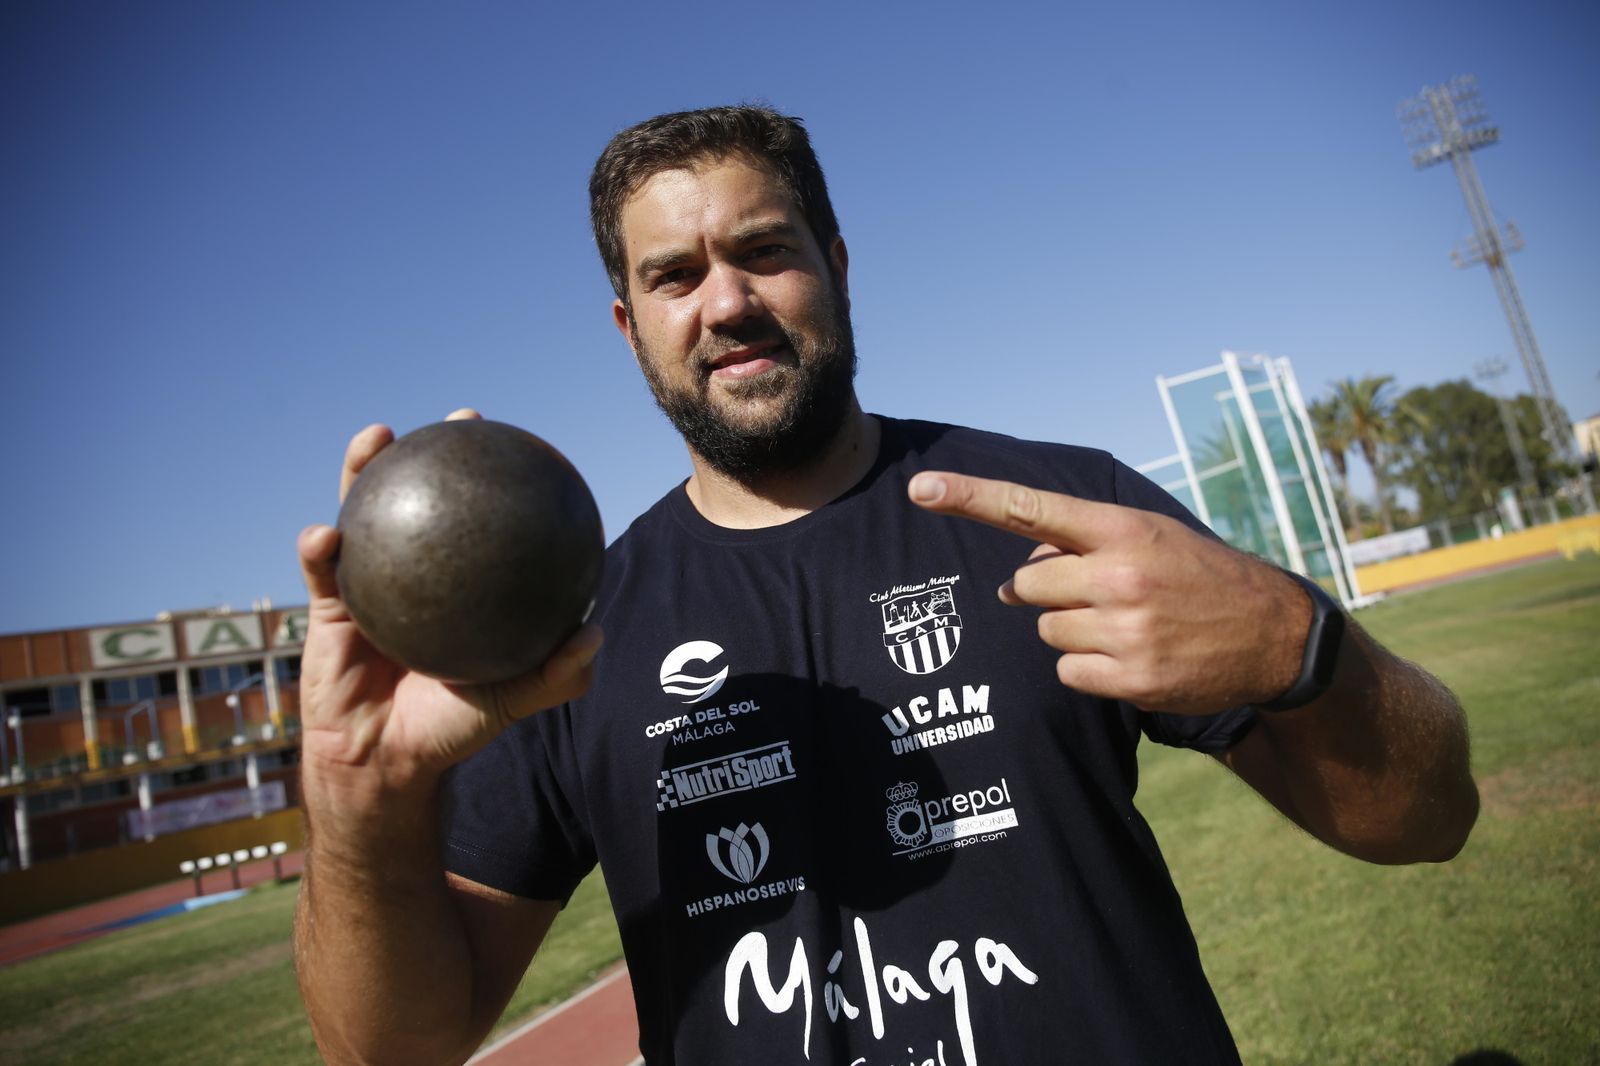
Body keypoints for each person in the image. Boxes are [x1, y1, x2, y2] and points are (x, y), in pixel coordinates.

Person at [293, 105, 1478, 1065]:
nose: (726, 302)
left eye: (764, 251)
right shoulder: (572, 636)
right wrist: (355, 797)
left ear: (838, 266)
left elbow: (1427, 822)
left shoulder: (1061, 512)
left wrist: (1298, 641)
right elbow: (387, 1049)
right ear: (628, 325)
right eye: (675, 275)